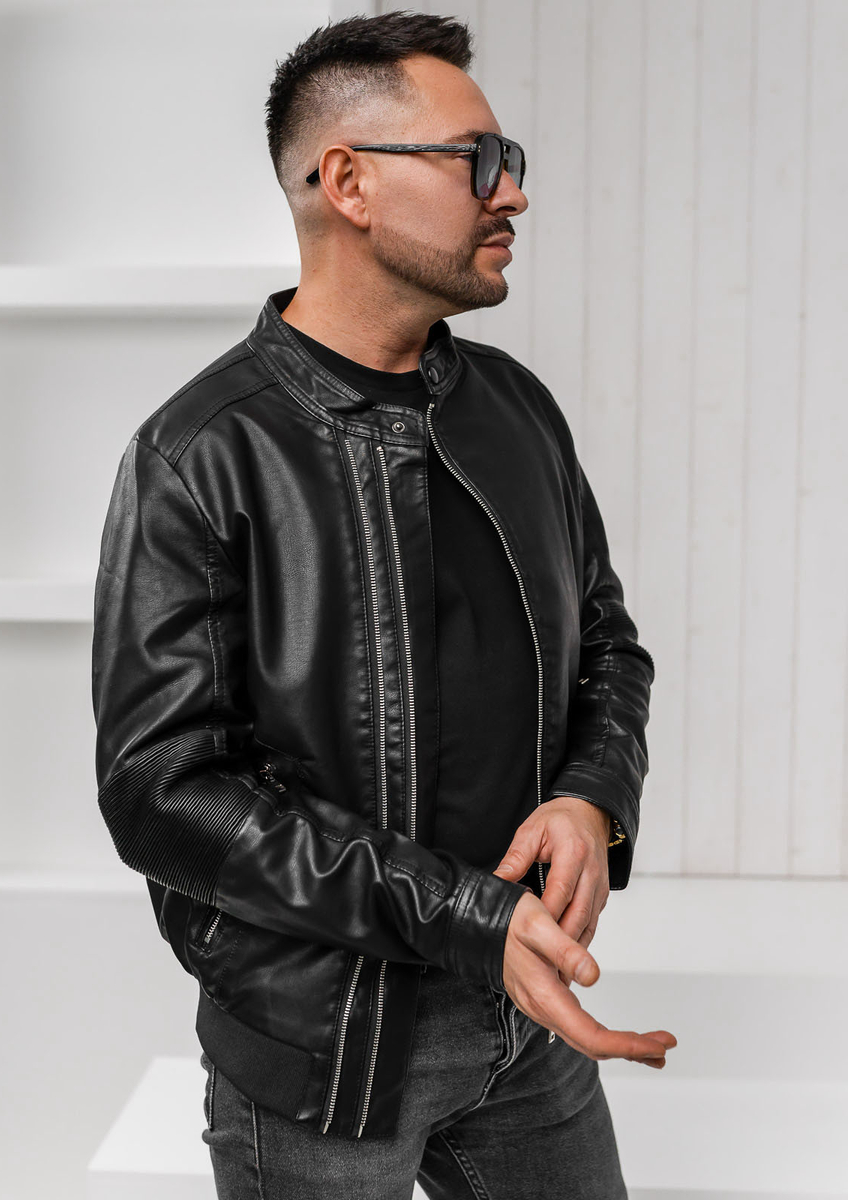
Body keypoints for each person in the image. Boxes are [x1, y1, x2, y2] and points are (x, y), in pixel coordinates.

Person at [91, 9, 676, 1198]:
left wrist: (590, 798)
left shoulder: (516, 409)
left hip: (527, 1026)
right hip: (322, 1053)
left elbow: (609, 644)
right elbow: (162, 791)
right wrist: (460, 913)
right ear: (349, 183)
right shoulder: (200, 453)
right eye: (478, 161)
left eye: (511, 160)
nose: (512, 193)